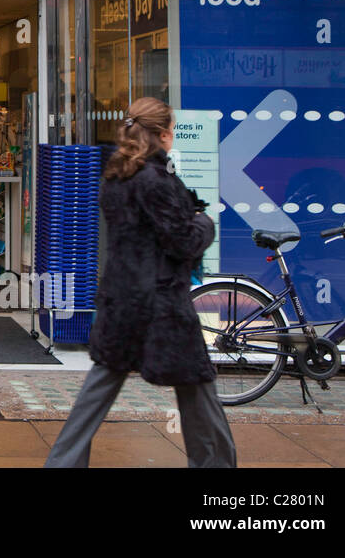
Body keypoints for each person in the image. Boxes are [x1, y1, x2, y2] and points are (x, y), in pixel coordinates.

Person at [45, 96, 236, 468]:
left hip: (122, 299)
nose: (173, 138)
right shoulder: (156, 180)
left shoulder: (117, 176)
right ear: (163, 134)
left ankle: (62, 463)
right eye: (173, 132)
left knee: (98, 389)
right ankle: (216, 466)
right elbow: (183, 241)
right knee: (197, 388)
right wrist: (203, 222)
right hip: (162, 303)